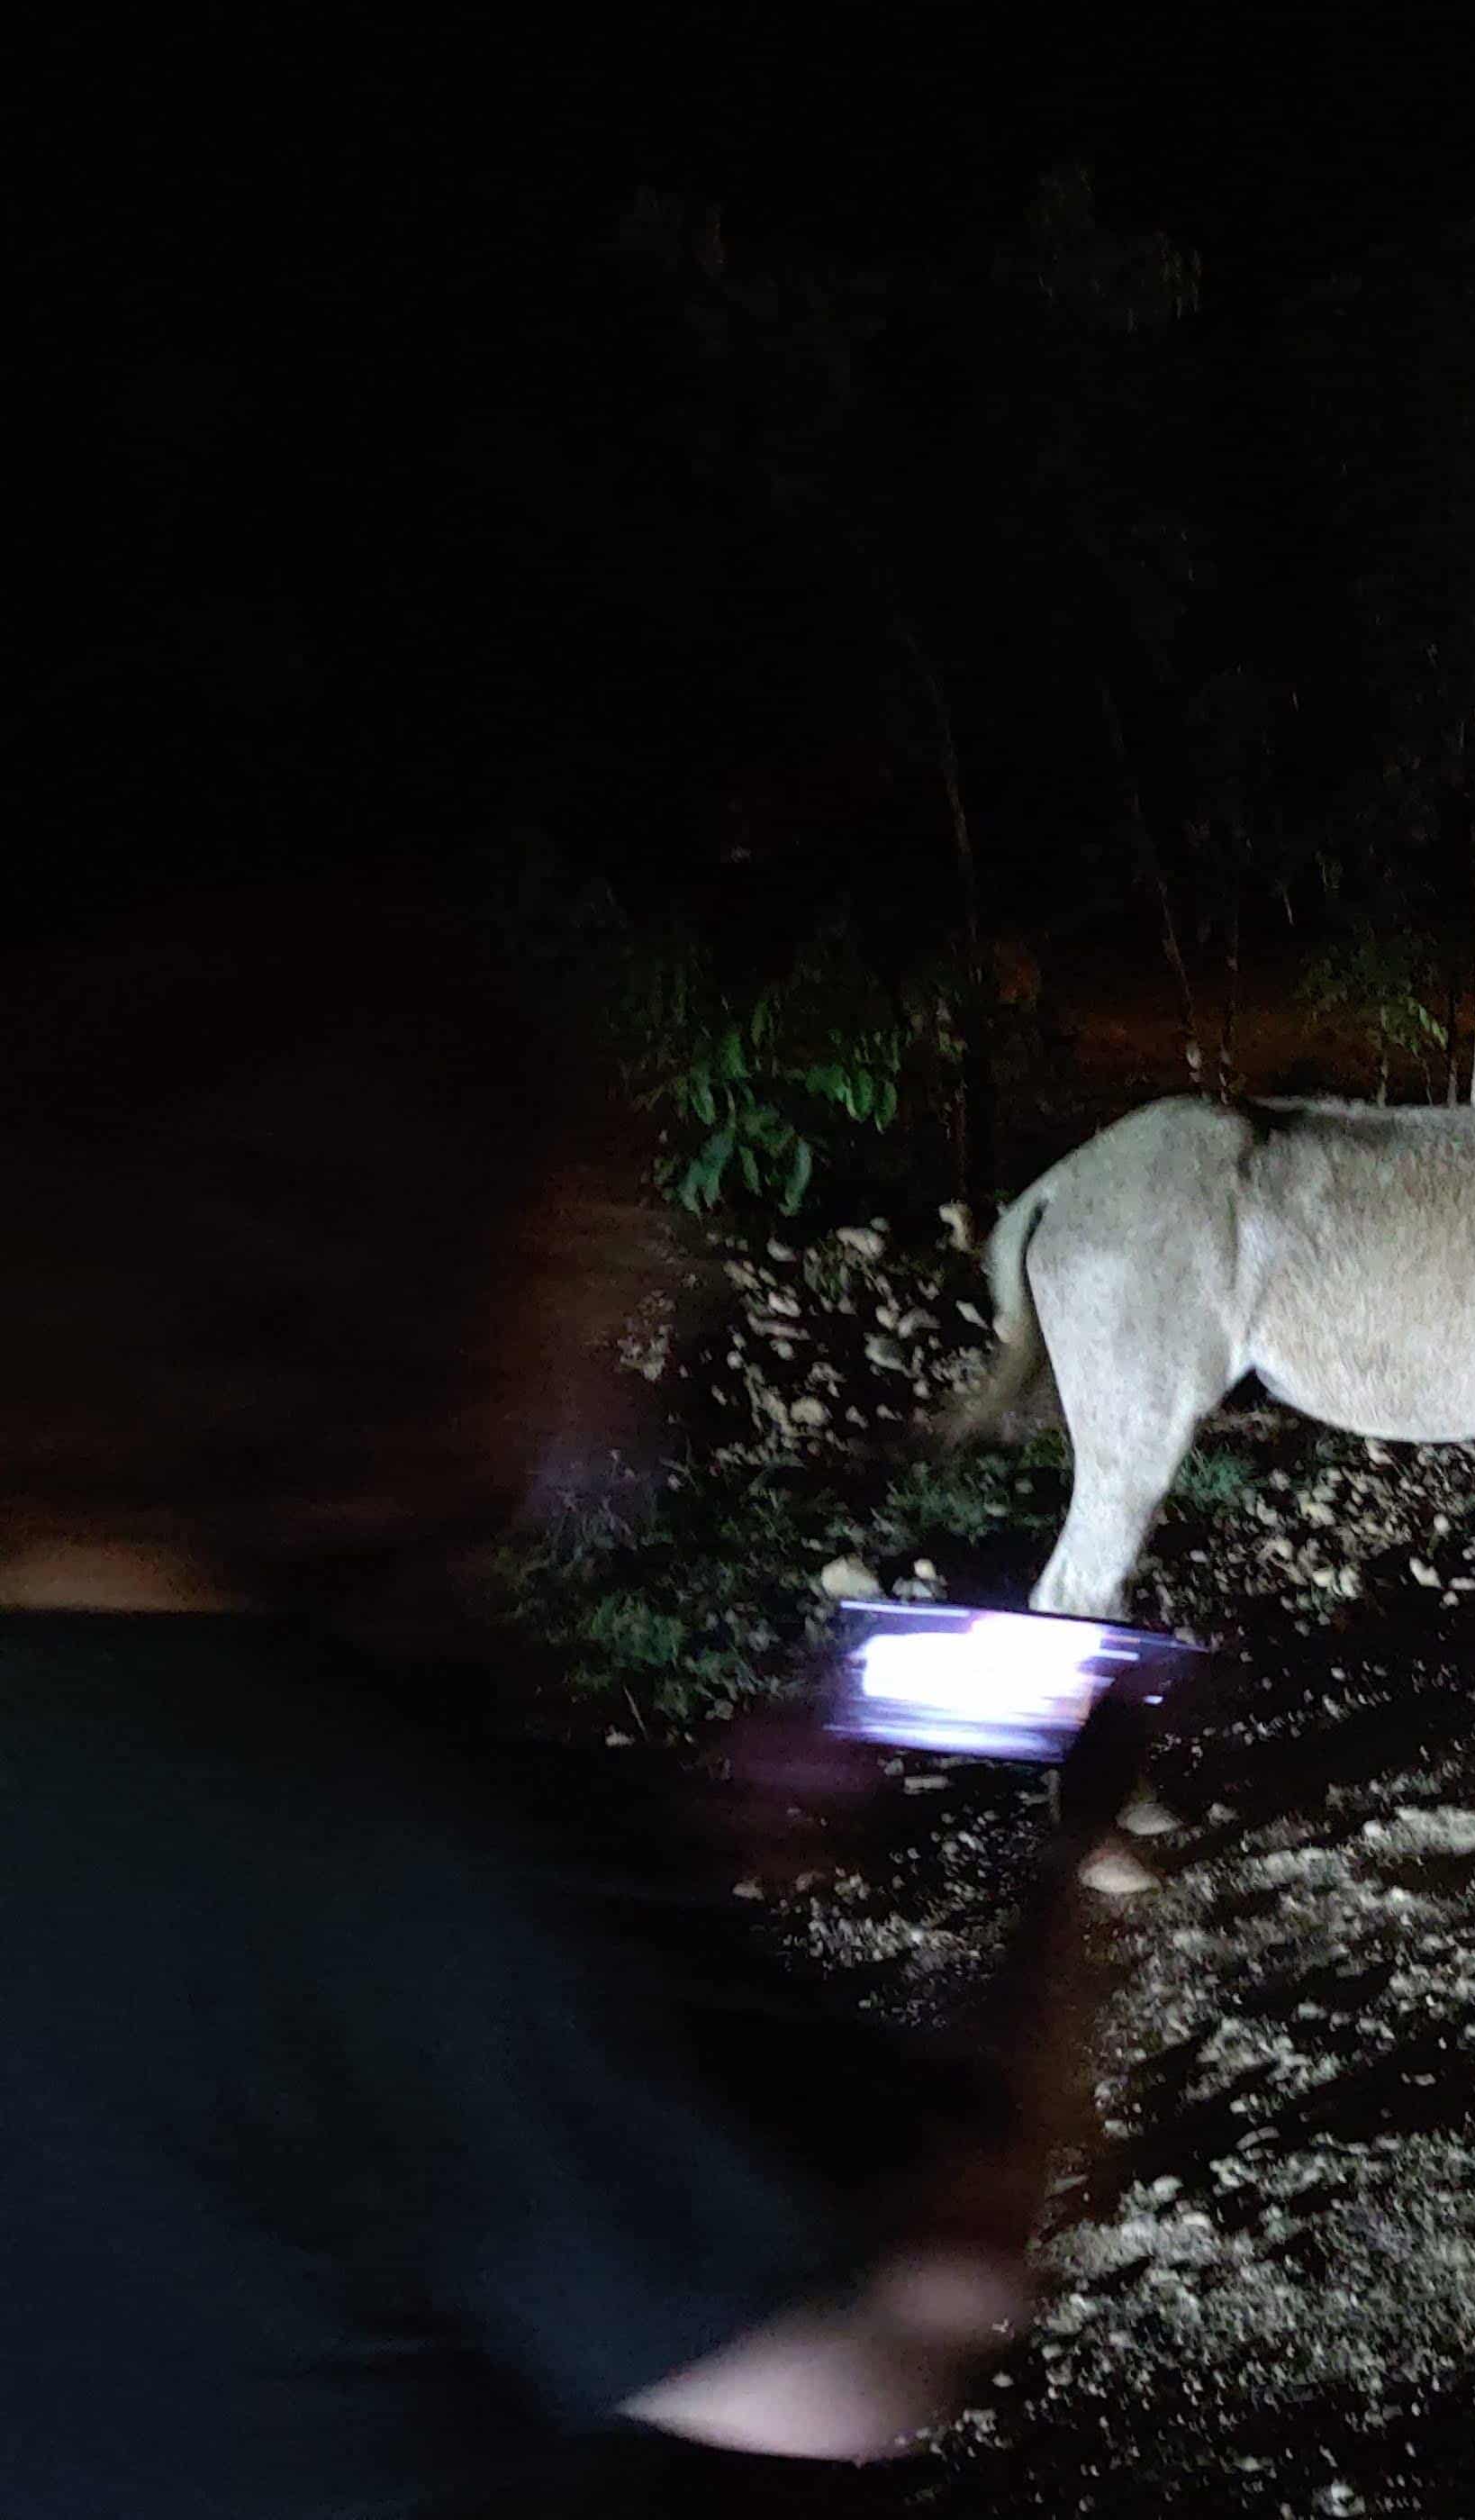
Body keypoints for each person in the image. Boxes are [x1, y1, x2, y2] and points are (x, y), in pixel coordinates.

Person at [0, 871, 1114, 2517]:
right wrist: (1077, 1886)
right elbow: (887, 2345)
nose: (607, 1344)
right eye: (556, 1256)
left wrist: (686, 1822)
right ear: (388, 1310)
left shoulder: (199, 1742)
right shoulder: (376, 1854)